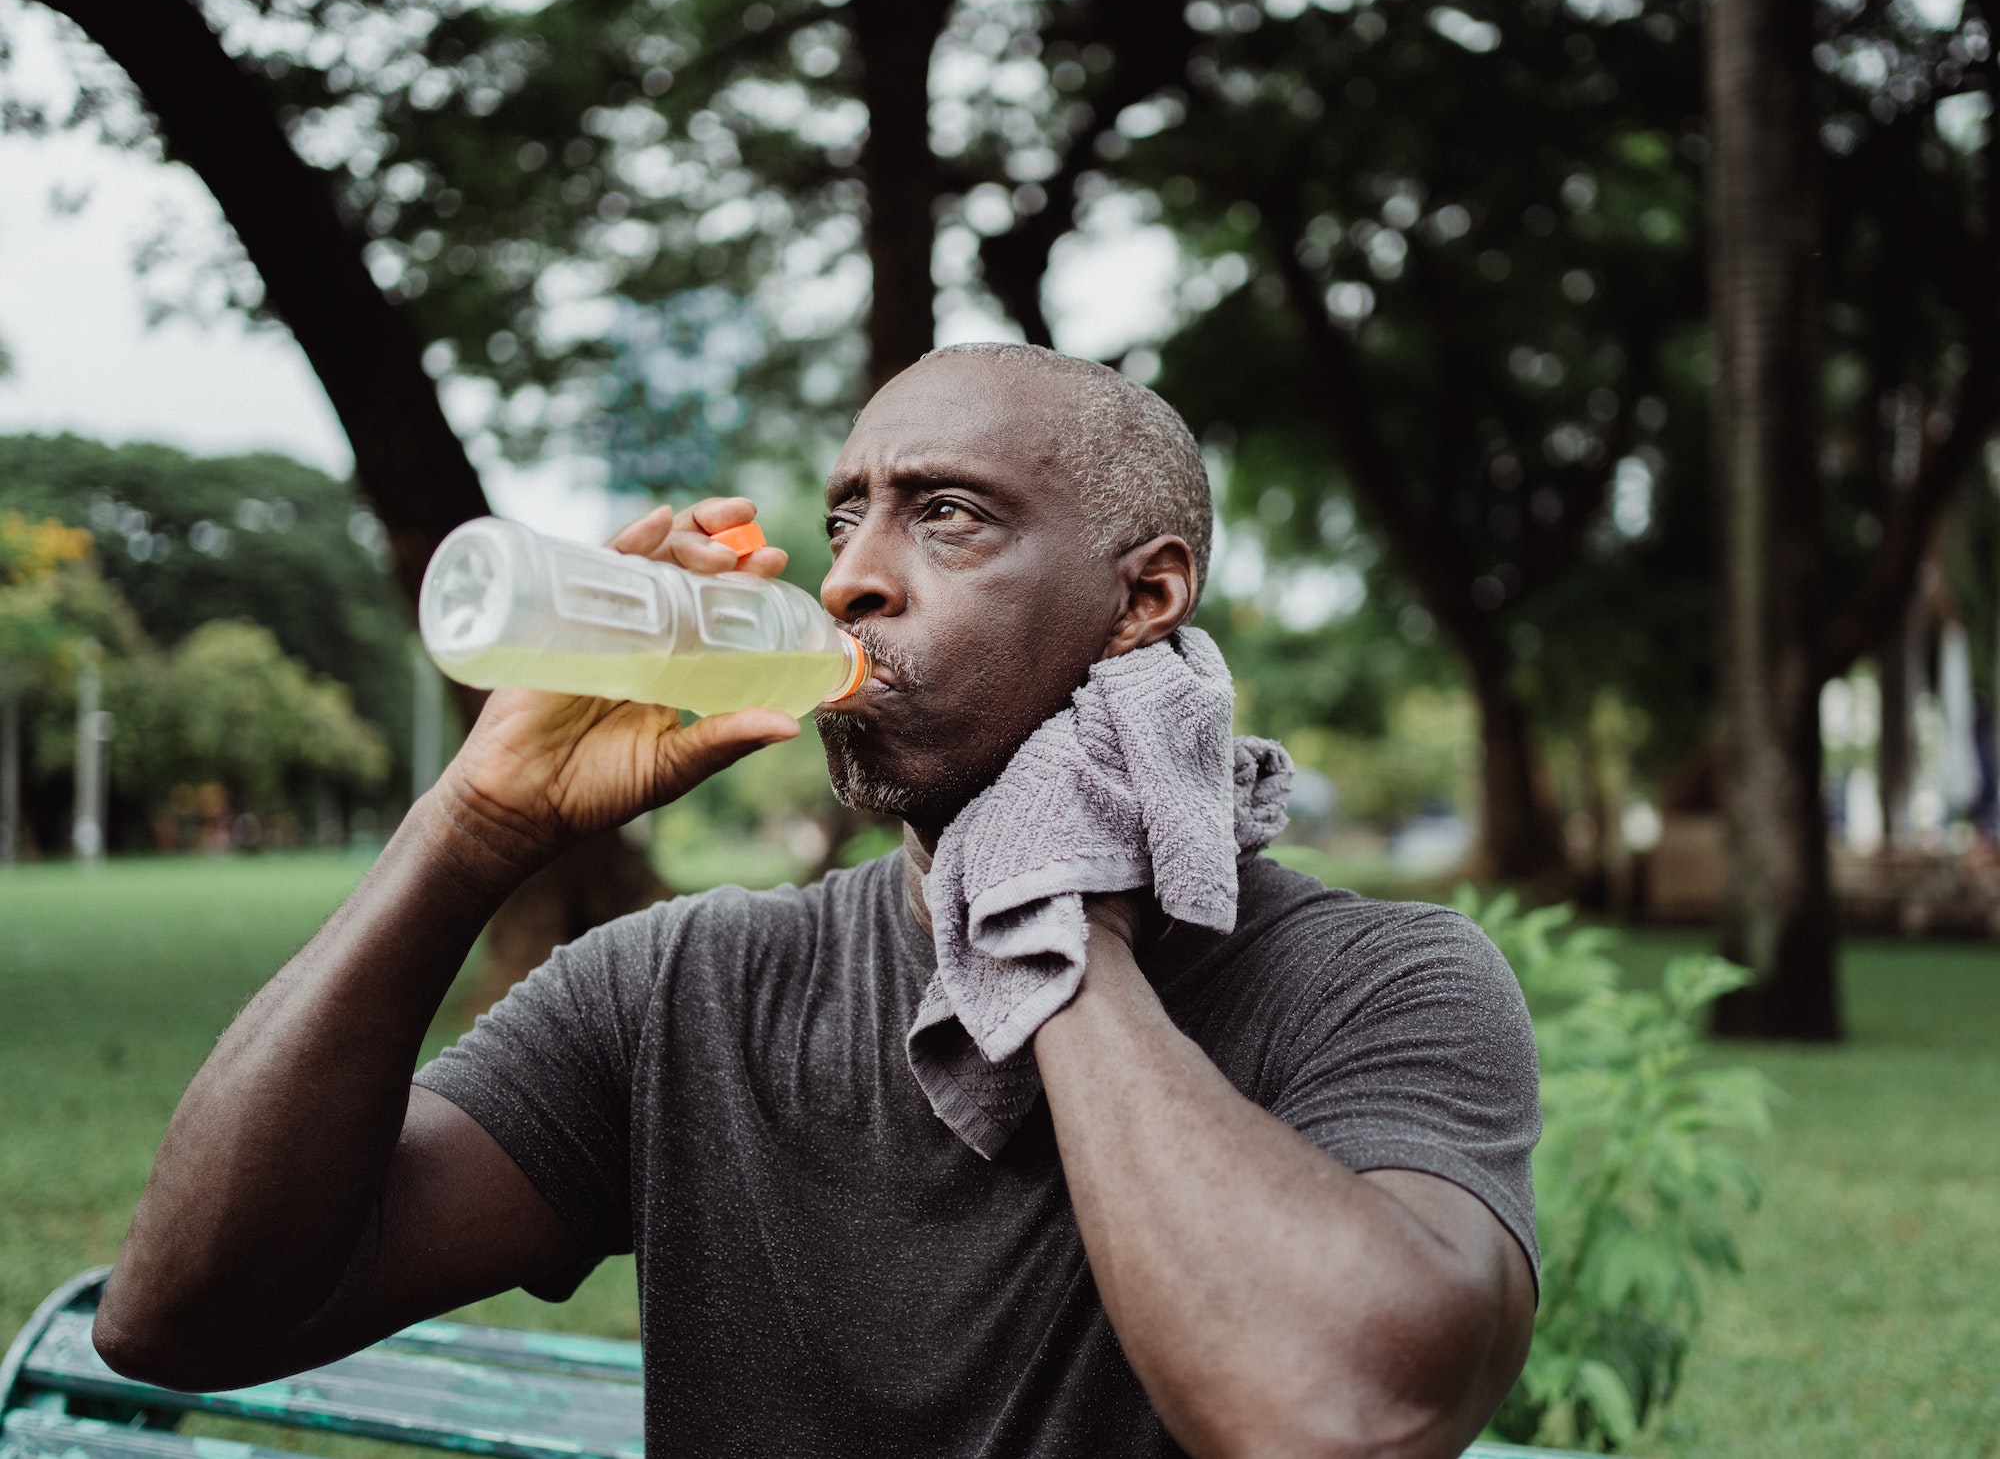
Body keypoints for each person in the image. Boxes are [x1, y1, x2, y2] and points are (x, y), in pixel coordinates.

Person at [96, 345, 1540, 1459]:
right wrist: (467, 832)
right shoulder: (682, 989)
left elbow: (1342, 1413)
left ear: (1143, 601)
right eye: (846, 518)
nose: (852, 577)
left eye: (950, 517)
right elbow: (182, 1318)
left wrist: (1050, 917)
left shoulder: (1379, 984)